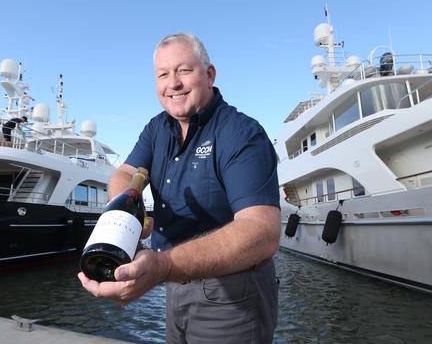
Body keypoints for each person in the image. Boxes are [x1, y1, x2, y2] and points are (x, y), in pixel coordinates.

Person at [78, 33, 281, 343]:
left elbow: (261, 233)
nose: (172, 83)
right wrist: (130, 210)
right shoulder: (157, 128)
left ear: (209, 74)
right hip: (175, 284)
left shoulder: (241, 133)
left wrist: (163, 266)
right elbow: (126, 173)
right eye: (163, 74)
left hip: (232, 294)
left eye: (184, 70)